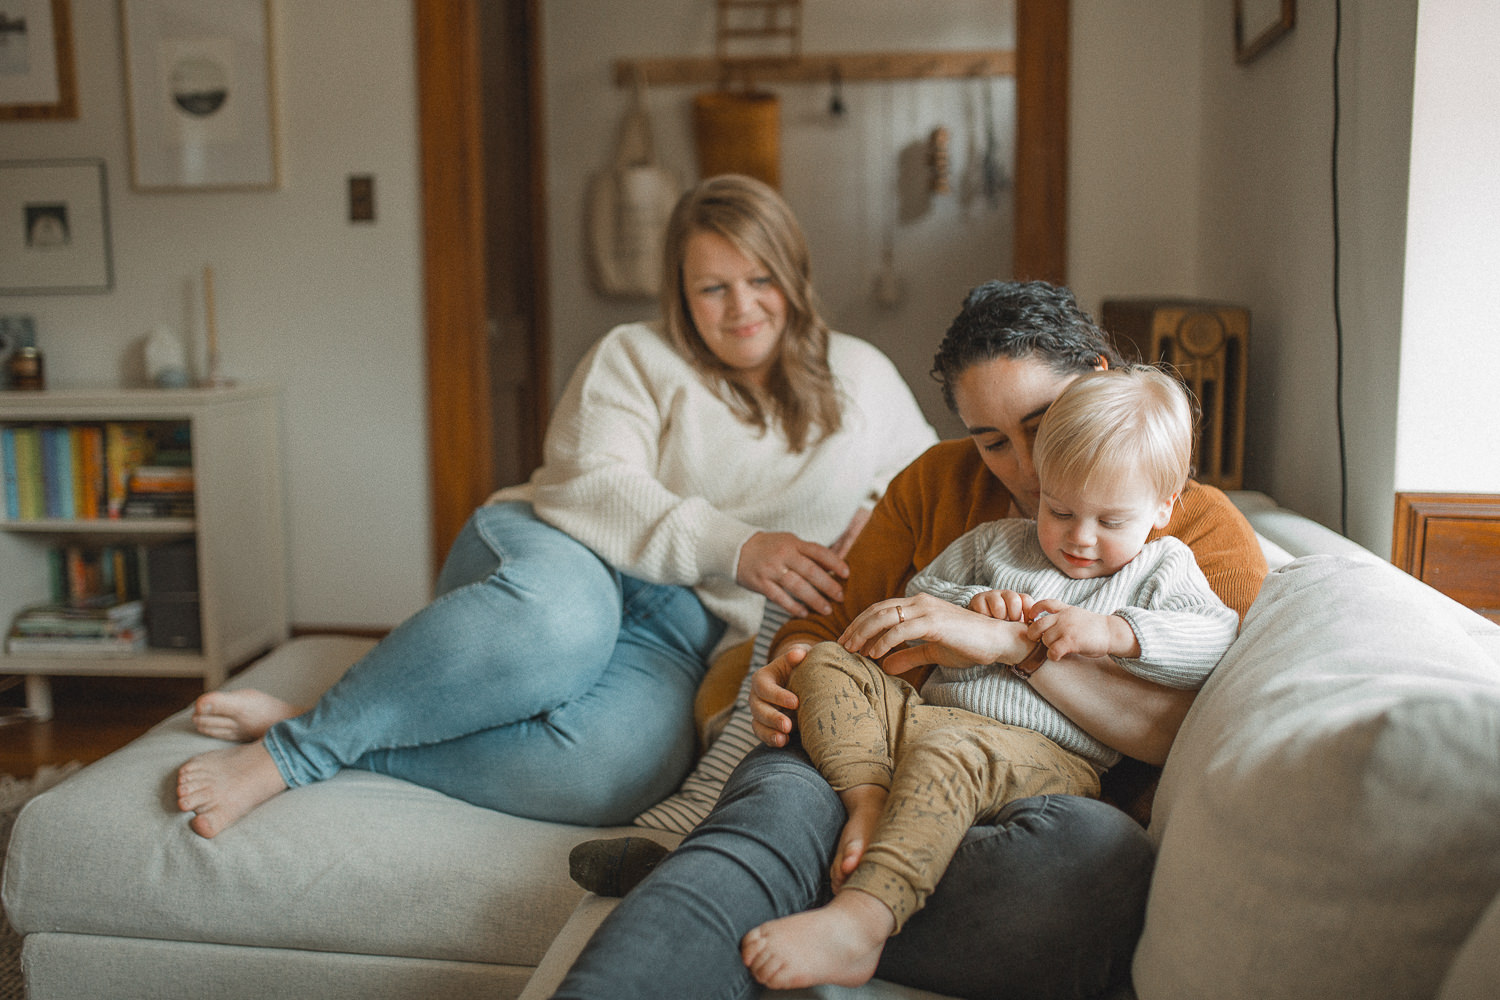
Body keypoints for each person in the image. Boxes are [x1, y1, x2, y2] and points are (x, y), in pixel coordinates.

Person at [551, 279, 1267, 1000]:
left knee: (1099, 865)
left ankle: (748, 884)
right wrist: (787, 668)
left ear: (1098, 385)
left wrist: (1009, 644)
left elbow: (1188, 729)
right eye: (991, 440)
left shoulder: (1194, 534)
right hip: (875, 763)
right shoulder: (937, 488)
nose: (1023, 465)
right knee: (782, 796)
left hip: (1029, 806)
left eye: (1041, 423)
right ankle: (773, 882)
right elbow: (832, 623)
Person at [174, 174, 937, 839]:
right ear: (681, 292)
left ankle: (338, 726)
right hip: (567, 549)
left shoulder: (861, 375)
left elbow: (927, 482)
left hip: (687, 629)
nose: (742, 306)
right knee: (561, 628)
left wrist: (881, 510)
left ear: (794, 276)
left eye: (761, 278)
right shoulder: (637, 354)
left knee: (616, 772)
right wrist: (739, 547)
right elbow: (587, 482)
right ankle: (291, 755)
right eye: (713, 286)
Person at [740, 366, 1240, 990]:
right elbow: (921, 597)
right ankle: (865, 800)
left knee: (953, 750)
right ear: (1042, 490)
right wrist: (973, 602)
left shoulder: (1164, 568)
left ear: (1164, 507)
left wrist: (1119, 633)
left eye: (1110, 522)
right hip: (920, 716)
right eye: (1060, 511)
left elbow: (1216, 637)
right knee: (825, 663)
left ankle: (863, 919)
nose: (1080, 539)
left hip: (1039, 753)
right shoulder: (995, 543)